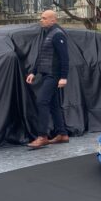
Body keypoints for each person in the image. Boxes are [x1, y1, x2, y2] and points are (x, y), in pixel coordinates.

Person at [26, 10, 70, 149]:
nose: (41, 20)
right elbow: (42, 55)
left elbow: (65, 58)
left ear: (53, 20)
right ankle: (62, 134)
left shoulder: (57, 34)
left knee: (42, 102)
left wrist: (63, 77)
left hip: (54, 75)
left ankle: (42, 136)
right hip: (46, 74)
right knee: (53, 104)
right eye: (41, 18)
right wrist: (33, 72)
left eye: (44, 18)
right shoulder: (48, 33)